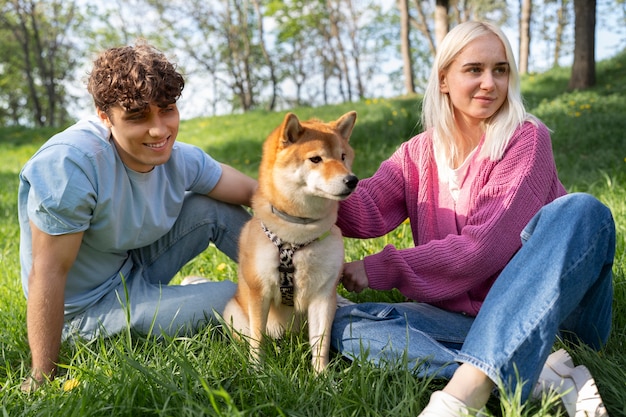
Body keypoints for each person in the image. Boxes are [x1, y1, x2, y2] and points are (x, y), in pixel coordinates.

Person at [332, 21, 615, 417]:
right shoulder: (417, 154)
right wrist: (312, 183)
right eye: (474, 70)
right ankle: (536, 374)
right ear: (444, 79)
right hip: (461, 321)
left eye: (500, 70)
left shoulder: (525, 138)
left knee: (582, 211)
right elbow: (367, 210)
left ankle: (462, 396)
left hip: (556, 315)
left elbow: (480, 252)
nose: (489, 83)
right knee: (343, 325)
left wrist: (384, 267)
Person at [18, 40, 257, 392]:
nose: (159, 130)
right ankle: (289, 303)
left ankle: (303, 284)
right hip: (88, 310)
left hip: (132, 266)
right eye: (137, 116)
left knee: (214, 207)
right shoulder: (70, 166)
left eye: (167, 109)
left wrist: (334, 217)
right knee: (245, 301)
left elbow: (260, 195)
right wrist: (41, 376)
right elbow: (48, 272)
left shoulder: (178, 157)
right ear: (104, 116)